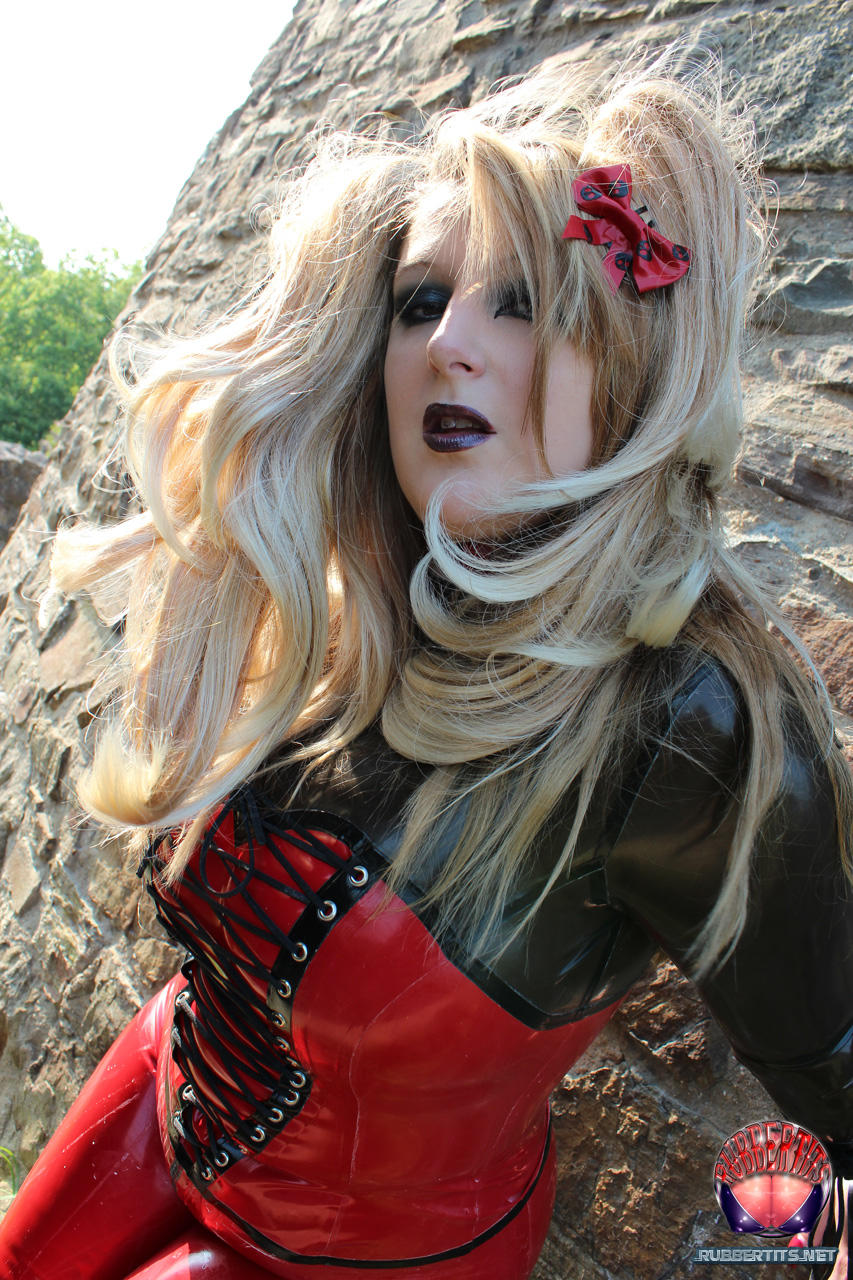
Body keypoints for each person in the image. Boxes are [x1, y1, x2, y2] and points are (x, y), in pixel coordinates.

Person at [1, 49, 851, 1280]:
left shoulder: (683, 719)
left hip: (359, 1255)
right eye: (419, 302)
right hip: (154, 1093)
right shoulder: (344, 594)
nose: (449, 343)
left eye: (522, 301)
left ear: (631, 359)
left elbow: (835, 1067)